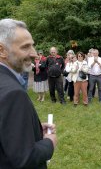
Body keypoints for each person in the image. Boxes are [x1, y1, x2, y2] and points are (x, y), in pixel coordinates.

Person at [0, 19, 57, 168]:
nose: (33, 53)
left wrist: (35, 129)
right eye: (25, 47)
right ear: (2, 50)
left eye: (32, 45)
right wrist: (49, 142)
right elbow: (24, 158)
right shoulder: (13, 93)